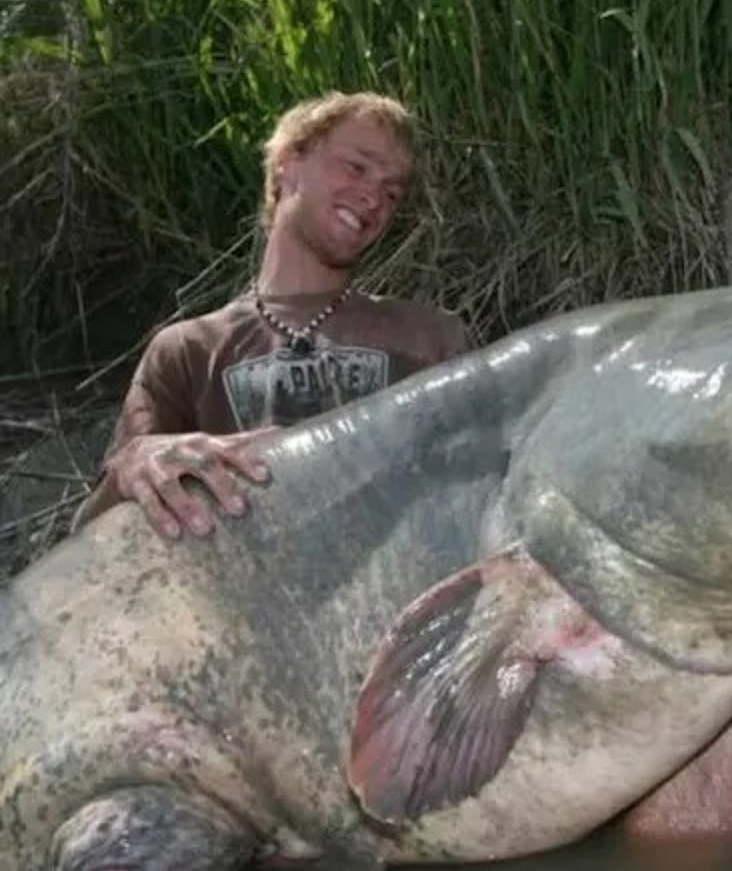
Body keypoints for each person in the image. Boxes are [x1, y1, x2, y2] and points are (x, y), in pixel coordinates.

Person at [72, 91, 471, 539]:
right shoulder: (186, 350)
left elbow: (490, 485)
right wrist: (134, 462)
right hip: (255, 598)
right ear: (287, 161)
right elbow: (90, 535)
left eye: (391, 191)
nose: (373, 197)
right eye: (357, 167)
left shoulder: (432, 336)